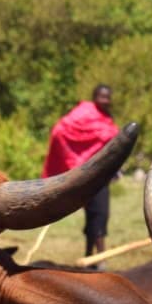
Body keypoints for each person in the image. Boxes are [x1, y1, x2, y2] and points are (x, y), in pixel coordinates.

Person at [43, 84, 119, 257]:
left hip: (102, 175)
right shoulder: (85, 112)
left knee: (97, 216)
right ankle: (100, 259)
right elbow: (60, 130)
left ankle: (89, 257)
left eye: (108, 97)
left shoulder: (106, 116)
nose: (105, 100)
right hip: (87, 174)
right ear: (94, 97)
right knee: (98, 214)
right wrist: (75, 163)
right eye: (101, 96)